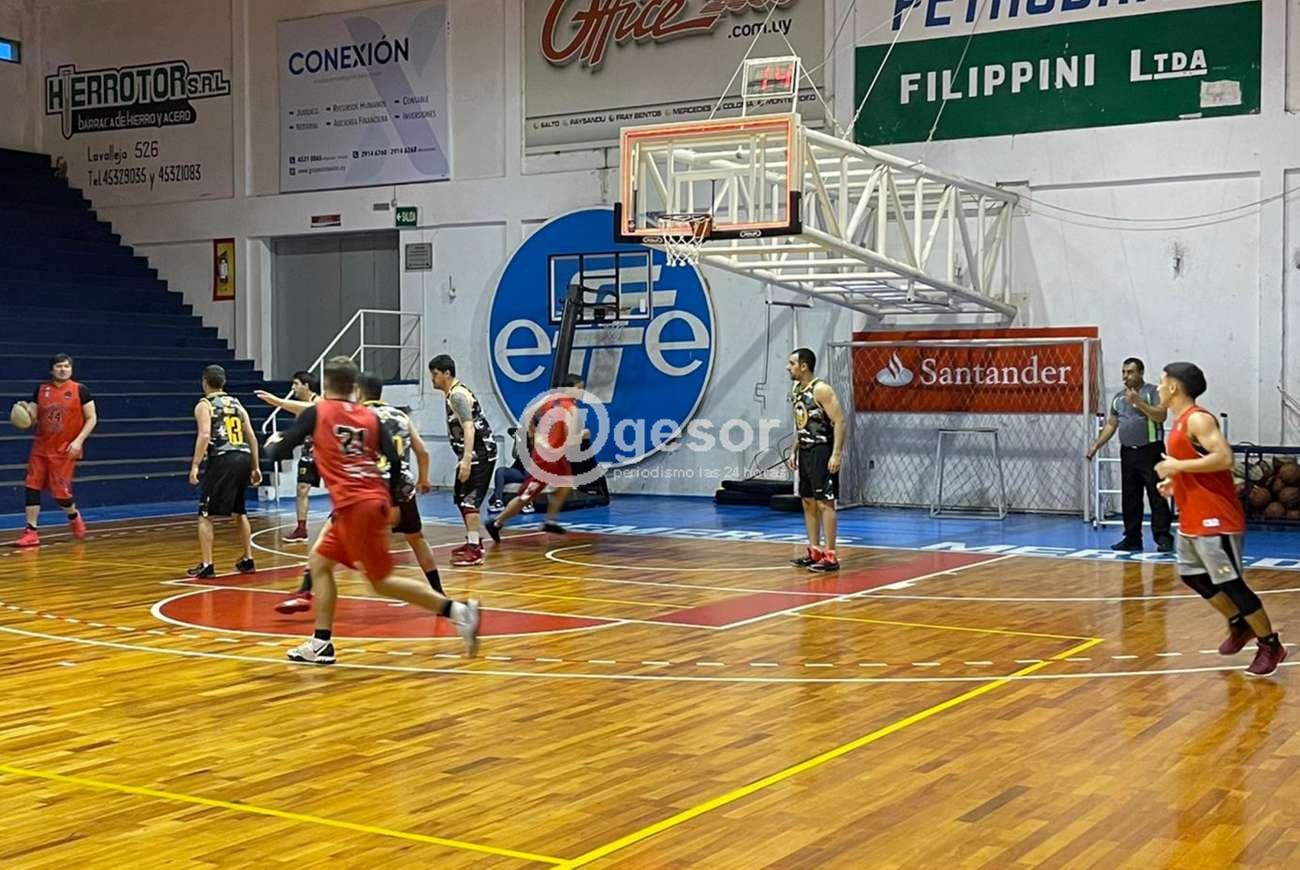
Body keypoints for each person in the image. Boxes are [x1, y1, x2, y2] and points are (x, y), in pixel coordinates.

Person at [265, 356, 479, 663]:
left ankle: (457, 611)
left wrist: (273, 443)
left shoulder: (318, 412)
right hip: (373, 500)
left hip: (355, 506)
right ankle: (321, 643)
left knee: (381, 581)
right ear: (353, 387)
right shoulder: (369, 417)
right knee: (320, 563)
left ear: (326, 384)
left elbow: (280, 451)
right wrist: (393, 501)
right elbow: (395, 461)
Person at [273, 372, 447, 614]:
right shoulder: (400, 416)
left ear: (359, 392)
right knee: (416, 539)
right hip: (401, 486)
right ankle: (439, 595)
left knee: (327, 536)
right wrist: (424, 479)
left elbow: (320, 418)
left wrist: (279, 405)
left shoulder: (358, 417)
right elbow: (422, 451)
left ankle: (304, 591)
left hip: (367, 488)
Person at [1154, 362, 1286, 676]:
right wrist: (1174, 482)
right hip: (1192, 516)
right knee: (1193, 577)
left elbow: (1224, 458)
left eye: (1161, 382)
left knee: (1231, 583)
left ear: (1173, 386)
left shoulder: (1198, 418)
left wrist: (1177, 467)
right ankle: (1239, 623)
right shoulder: (1178, 423)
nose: (1158, 387)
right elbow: (1196, 464)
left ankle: (1270, 644)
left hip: (1216, 517)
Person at [1086, 357, 1174, 552]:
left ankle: (1163, 538)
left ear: (1141, 373)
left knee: (1157, 495)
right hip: (1128, 453)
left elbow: (1161, 415)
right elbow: (1111, 424)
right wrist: (1096, 445)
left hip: (1151, 450)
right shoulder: (1118, 398)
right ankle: (1132, 538)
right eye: (1124, 372)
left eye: (1130, 372)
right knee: (1130, 497)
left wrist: (1138, 402)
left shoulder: (1153, 392)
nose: (1126, 376)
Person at [11, 353, 97, 548]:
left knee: (61, 494)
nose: (63, 369)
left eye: (66, 366)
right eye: (59, 366)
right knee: (32, 486)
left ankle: (73, 516)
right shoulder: (41, 390)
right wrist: (24, 413)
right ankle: (31, 531)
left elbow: (92, 418)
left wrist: (78, 441)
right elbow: (32, 418)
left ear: (71, 369)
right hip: (41, 447)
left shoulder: (80, 390)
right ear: (52, 370)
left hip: (64, 449)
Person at [485, 375, 584, 543]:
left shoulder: (550, 399)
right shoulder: (571, 409)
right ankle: (496, 522)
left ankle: (549, 521)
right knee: (526, 497)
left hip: (554, 456)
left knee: (566, 484)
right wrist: (583, 435)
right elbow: (572, 439)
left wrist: (532, 434)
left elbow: (528, 414)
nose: (582, 392)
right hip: (547, 459)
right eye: (579, 388)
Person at [187, 365, 261, 577]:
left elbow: (204, 434)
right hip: (243, 455)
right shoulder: (237, 403)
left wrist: (195, 465)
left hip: (223, 458)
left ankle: (207, 564)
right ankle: (247, 559)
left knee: (205, 513)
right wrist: (255, 466)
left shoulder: (205, 404)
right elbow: (251, 435)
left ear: (204, 382)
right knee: (240, 511)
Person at [428, 355, 498, 567]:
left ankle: (475, 550)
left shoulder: (458, 395)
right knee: (460, 497)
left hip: (480, 453)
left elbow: (469, 427)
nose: (432, 378)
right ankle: (473, 541)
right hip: (471, 452)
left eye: (435, 374)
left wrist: (467, 459)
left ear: (447, 373)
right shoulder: (452, 394)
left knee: (470, 500)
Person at [786, 348, 846, 573]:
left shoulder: (821, 389)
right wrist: (794, 450)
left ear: (804, 366)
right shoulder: (797, 389)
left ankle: (831, 555)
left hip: (822, 450)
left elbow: (839, 422)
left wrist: (836, 454)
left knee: (825, 502)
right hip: (805, 451)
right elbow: (802, 422)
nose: (788, 368)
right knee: (808, 501)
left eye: (792, 363)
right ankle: (814, 550)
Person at [254, 371, 319, 543]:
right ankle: (301, 529)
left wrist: (277, 401)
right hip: (309, 453)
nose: (292, 388)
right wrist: (282, 437)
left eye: (296, 384)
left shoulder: (318, 402)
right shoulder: (299, 408)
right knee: (301, 489)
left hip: (327, 453)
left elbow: (311, 410)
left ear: (306, 385)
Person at [487, 427, 533, 514]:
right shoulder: (523, 438)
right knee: (500, 471)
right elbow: (515, 455)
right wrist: (517, 442)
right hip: (519, 472)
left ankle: (528, 502)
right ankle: (498, 501)